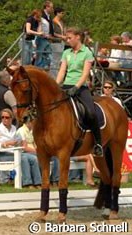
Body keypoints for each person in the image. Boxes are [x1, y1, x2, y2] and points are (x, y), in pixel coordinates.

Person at [56, 27, 103, 157]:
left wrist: (76, 87)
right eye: (67, 38)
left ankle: (98, 143)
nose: (68, 40)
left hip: (81, 88)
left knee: (91, 113)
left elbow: (85, 73)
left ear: (78, 37)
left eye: (69, 38)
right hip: (66, 86)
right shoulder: (66, 53)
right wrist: (56, 85)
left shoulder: (87, 52)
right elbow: (62, 71)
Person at [16, 114, 42, 188]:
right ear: (28, 122)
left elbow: (35, 143)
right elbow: (24, 147)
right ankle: (28, 183)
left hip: (32, 152)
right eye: (33, 122)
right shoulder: (21, 131)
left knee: (42, 157)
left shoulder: (32, 131)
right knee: (33, 159)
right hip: (22, 153)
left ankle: (38, 182)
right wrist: (37, 152)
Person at [35, 0, 54, 71]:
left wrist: (50, 36)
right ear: (47, 7)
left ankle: (43, 70)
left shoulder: (49, 16)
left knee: (49, 56)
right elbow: (38, 28)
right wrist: (44, 35)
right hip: (41, 38)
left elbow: (49, 27)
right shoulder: (41, 15)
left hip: (47, 39)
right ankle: (37, 71)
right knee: (39, 56)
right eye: (51, 8)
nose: (52, 9)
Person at [51, 6, 66, 77]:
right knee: (54, 60)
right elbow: (53, 33)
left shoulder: (61, 22)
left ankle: (56, 76)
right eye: (62, 13)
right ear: (57, 13)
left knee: (58, 61)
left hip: (61, 42)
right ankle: (53, 77)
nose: (63, 15)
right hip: (55, 42)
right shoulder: (53, 21)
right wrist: (62, 36)